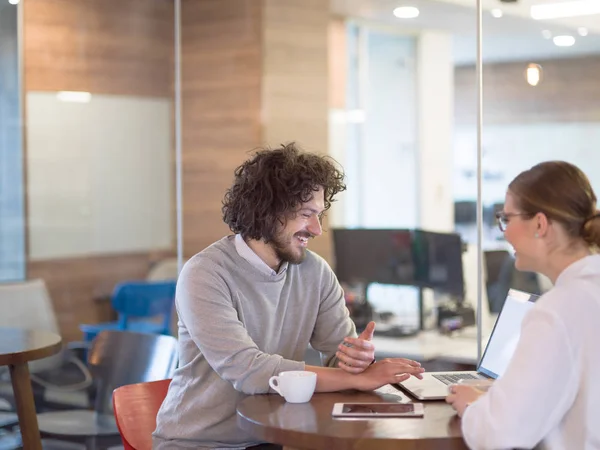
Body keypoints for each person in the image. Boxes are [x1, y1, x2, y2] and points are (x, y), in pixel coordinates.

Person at [153, 143, 424, 450]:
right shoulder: (205, 273)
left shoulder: (315, 272)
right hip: (200, 443)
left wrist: (356, 361)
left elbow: (339, 357)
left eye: (319, 215)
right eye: (307, 214)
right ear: (267, 211)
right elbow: (249, 371)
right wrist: (358, 379)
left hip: (273, 437)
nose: (317, 229)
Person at [446, 161, 600, 450]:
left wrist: (473, 406)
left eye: (507, 218)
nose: (504, 232)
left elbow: (499, 433)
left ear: (540, 224)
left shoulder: (558, 310)